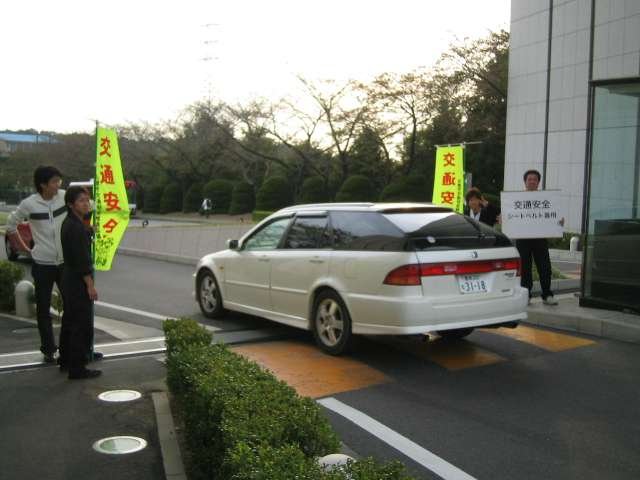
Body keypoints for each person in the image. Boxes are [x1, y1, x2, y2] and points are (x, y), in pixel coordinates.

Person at [6, 166, 66, 363]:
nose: (58, 185)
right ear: (43, 184)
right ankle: (49, 349)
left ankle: (69, 348)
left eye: (59, 181)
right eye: (55, 181)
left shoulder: (64, 197)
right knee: (43, 308)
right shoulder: (29, 204)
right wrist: (25, 249)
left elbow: (88, 206)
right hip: (42, 263)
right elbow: (11, 226)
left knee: (72, 306)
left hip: (65, 263)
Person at [60, 186, 101, 379]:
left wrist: (90, 231)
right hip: (77, 280)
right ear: (71, 204)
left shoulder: (71, 223)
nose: (86, 204)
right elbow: (82, 260)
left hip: (69, 277)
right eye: (81, 201)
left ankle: (66, 360)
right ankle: (77, 367)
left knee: (69, 321)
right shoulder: (75, 227)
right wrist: (90, 285)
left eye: (87, 200)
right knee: (79, 324)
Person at [515, 169, 559, 306]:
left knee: (545, 267)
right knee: (525, 269)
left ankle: (547, 295)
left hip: (540, 238)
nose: (532, 181)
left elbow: (553, 216)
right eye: (529, 179)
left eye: (535, 179)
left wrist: (558, 222)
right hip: (523, 239)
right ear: (525, 182)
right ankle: (526, 295)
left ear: (538, 182)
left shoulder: (545, 200)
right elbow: (511, 217)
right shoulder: (516, 200)